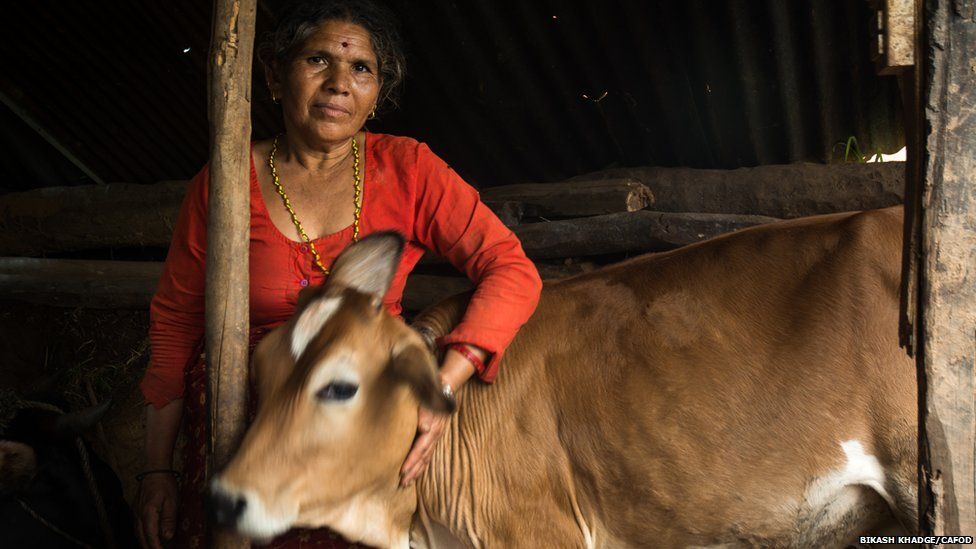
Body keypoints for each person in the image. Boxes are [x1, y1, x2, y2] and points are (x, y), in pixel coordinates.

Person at [134, 1, 542, 547]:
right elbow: (177, 321)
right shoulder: (226, 180)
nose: (339, 83)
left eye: (361, 69)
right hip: (240, 402)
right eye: (318, 60)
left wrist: (444, 383)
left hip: (356, 409)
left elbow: (510, 268)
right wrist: (156, 468)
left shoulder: (409, 169)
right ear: (276, 77)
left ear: (378, 95)